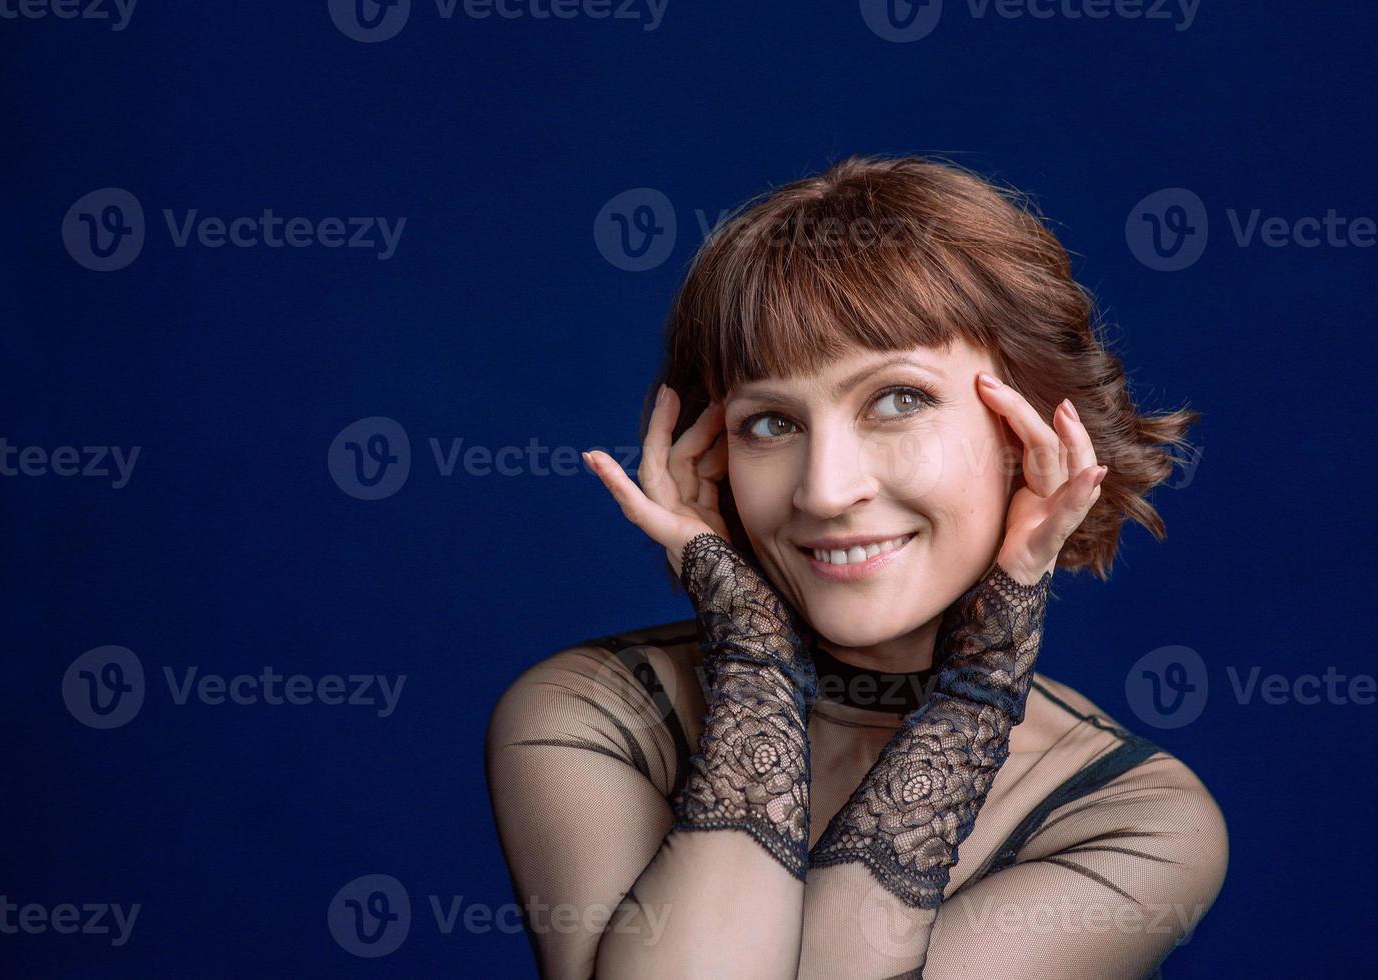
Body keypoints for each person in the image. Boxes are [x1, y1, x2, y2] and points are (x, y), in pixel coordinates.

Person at [485, 154, 1229, 979]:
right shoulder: (597, 712)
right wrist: (753, 658)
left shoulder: (1133, 818)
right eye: (769, 422)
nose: (826, 490)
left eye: (897, 400)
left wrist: (982, 683)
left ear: (1028, 440)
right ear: (712, 454)